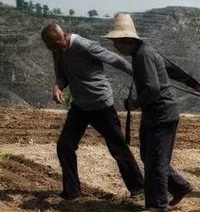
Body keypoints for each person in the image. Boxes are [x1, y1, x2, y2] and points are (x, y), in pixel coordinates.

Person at [104, 13, 200, 212]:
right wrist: (194, 83)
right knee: (149, 156)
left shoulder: (143, 55)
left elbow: (152, 89)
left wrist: (135, 103)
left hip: (161, 114)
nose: (115, 47)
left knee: (155, 160)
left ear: (126, 40)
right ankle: (179, 187)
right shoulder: (146, 52)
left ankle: (157, 206)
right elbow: (171, 69)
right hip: (160, 113)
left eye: (116, 42)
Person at [41, 23, 144, 200]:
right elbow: (62, 75)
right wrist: (58, 87)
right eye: (53, 48)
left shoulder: (84, 45)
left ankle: (139, 188)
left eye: (59, 45)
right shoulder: (57, 51)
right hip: (80, 105)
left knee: (117, 147)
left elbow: (115, 59)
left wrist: (140, 74)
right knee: (65, 146)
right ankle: (72, 192)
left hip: (100, 104)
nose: (59, 50)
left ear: (64, 35)